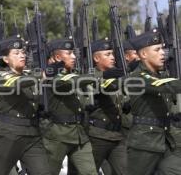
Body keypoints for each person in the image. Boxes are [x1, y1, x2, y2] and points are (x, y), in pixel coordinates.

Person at [0, 35, 51, 175]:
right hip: (9, 134)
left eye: (23, 52)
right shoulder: (2, 77)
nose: (22, 55)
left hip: (32, 133)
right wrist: (39, 76)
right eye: (16, 53)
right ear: (6, 59)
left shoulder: (28, 74)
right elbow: (18, 83)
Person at [126, 28, 181, 175]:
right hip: (144, 144)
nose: (163, 53)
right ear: (144, 54)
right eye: (157, 49)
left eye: (162, 49)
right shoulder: (137, 77)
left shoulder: (161, 75)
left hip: (166, 140)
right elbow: (167, 86)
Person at [42, 38, 97, 175]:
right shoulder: (53, 77)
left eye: (73, 53)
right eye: (69, 53)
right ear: (58, 57)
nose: (74, 57)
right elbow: (70, 82)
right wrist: (98, 76)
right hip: (57, 136)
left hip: (79, 134)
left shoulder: (72, 74)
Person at [87, 39, 126, 174]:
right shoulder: (88, 77)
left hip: (117, 135)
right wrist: (103, 77)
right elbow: (95, 86)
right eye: (108, 54)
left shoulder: (116, 76)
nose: (113, 58)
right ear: (96, 58)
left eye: (112, 54)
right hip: (97, 137)